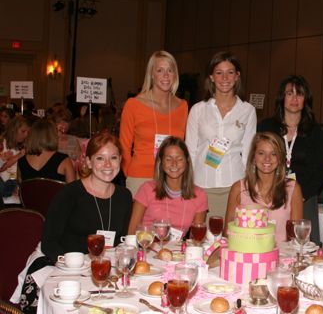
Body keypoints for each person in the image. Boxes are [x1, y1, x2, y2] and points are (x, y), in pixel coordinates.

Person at [12, 133, 132, 314]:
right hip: (60, 267)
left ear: (120, 161)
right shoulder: (69, 194)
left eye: (113, 158)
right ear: (89, 162)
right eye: (100, 158)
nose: (108, 165)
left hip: (101, 270)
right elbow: (49, 242)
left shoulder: (124, 196)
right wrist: (75, 265)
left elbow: (119, 242)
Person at [258, 75, 323, 244]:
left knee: (302, 245)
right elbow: (258, 157)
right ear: (282, 97)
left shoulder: (315, 131)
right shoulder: (267, 126)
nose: (294, 99)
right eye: (290, 93)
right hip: (271, 195)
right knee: (270, 241)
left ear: (306, 99)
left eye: (300, 94)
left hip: (305, 196)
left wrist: (301, 195)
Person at [186, 51, 257, 219]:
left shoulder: (248, 111)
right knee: (202, 240)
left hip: (234, 187)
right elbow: (190, 151)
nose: (225, 78)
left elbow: (248, 154)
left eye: (230, 72)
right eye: (219, 72)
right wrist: (189, 186)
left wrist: (249, 188)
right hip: (202, 186)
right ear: (211, 77)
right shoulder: (197, 110)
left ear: (237, 76)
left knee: (232, 240)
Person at [120, 50, 188, 195]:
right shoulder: (134, 104)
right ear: (151, 74)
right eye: (160, 70)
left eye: (170, 70)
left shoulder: (183, 107)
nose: (165, 75)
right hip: (140, 178)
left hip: (172, 178)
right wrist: (129, 174)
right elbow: (124, 147)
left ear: (175, 74)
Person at [224, 132, 303, 244]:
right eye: (261, 153)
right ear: (253, 157)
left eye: (273, 154)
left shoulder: (293, 189)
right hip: (247, 256)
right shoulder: (238, 188)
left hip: (283, 257)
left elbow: (297, 238)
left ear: (280, 158)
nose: (267, 159)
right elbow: (227, 235)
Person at [127, 136, 207, 238]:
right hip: (147, 249)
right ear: (161, 162)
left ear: (187, 161)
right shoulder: (146, 189)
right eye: (168, 159)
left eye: (179, 159)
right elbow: (131, 234)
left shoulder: (199, 195)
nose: (174, 164)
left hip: (177, 253)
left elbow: (196, 240)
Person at [1, 115, 31, 205]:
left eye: (28, 132)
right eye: (23, 131)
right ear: (13, 129)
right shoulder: (2, 143)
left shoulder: (22, 146)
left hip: (15, 187)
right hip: (4, 188)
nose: (26, 135)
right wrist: (19, 156)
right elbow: (1, 168)